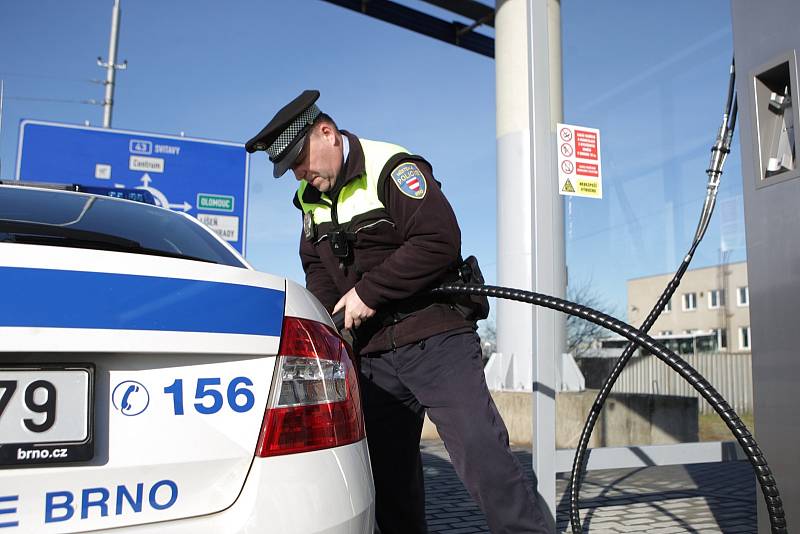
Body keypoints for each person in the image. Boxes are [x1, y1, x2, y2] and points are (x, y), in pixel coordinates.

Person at [246, 90, 549, 534]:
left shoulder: (392, 168)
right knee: (388, 481)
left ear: (326, 133)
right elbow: (318, 271)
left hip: (434, 338)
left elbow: (438, 240)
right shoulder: (310, 201)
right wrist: (334, 331)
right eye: (291, 168)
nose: (300, 174)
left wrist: (370, 293)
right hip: (373, 357)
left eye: (300, 160)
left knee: (482, 455)